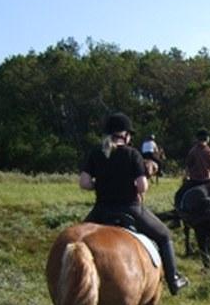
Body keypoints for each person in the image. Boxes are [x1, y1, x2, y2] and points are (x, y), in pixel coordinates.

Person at [80, 112, 189, 295]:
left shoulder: (95, 153)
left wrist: (100, 184)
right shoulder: (132, 154)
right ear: (126, 135)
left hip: (101, 210)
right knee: (164, 236)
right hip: (130, 209)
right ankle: (174, 280)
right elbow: (142, 186)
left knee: (77, 240)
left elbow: (84, 183)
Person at [174, 129, 210, 209]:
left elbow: (188, 166)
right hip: (209, 180)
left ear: (197, 139)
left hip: (195, 180)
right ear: (208, 139)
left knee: (179, 194)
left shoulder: (193, 151)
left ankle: (179, 210)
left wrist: (185, 177)